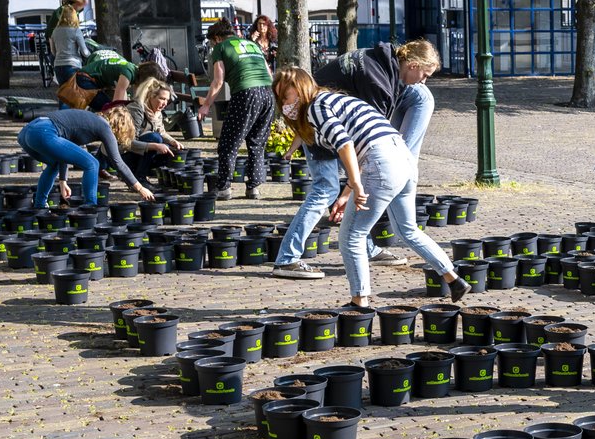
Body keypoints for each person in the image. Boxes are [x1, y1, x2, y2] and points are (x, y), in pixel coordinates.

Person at [271, 67, 470, 304]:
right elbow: (367, 147)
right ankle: (454, 279)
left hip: (381, 163)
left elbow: (345, 145)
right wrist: (347, 194)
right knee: (408, 230)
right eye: (280, 98)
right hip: (403, 160)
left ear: (301, 88)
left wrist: (355, 184)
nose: (284, 103)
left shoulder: (316, 107)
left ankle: (360, 302)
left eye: (286, 95)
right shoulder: (334, 100)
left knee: (352, 237)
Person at [269, 40, 442, 275]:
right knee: (326, 190)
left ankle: (367, 248)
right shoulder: (377, 81)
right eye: (425, 74)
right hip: (317, 124)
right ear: (412, 65)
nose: (424, 80)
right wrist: (351, 189)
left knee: (422, 96)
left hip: (325, 121)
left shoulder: (384, 67)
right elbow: (360, 148)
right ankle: (287, 258)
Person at [17, 105, 155, 209]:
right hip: (44, 132)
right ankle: (91, 206)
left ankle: (40, 206)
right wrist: (140, 188)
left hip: (27, 133)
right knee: (92, 163)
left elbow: (63, 154)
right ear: (121, 126)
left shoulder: (90, 120)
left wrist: (63, 181)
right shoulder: (104, 127)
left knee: (53, 164)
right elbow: (118, 162)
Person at [197, 20, 274, 200]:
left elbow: (218, 81)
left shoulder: (220, 47)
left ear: (216, 38)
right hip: (268, 93)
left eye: (211, 42)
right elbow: (269, 73)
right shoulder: (252, 45)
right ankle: (254, 187)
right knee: (256, 142)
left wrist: (206, 104)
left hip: (246, 93)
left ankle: (224, 188)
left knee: (228, 143)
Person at [125, 78, 184, 187]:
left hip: (140, 148)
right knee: (156, 139)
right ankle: (139, 177)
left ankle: (146, 172)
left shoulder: (157, 112)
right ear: (150, 96)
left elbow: (161, 131)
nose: (165, 103)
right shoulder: (136, 109)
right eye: (162, 99)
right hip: (123, 153)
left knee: (168, 150)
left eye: (167, 100)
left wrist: (173, 141)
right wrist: (154, 146)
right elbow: (127, 142)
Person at [77, 49, 164, 111]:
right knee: (107, 108)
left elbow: (127, 97)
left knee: (107, 106)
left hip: (86, 78)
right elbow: (116, 103)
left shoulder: (132, 69)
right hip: (85, 79)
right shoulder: (128, 73)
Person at [49, 4, 89, 106]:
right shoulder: (75, 31)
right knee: (74, 96)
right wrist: (91, 54)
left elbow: (53, 51)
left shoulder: (55, 31)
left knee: (63, 95)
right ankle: (74, 119)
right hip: (72, 65)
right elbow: (85, 52)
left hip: (58, 66)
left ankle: (61, 118)